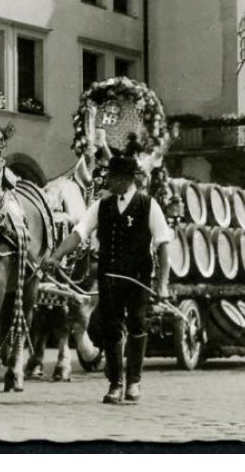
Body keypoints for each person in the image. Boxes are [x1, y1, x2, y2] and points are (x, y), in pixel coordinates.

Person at [47, 153, 173, 405]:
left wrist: (162, 284)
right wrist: (56, 256)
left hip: (138, 278)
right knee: (111, 328)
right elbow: (79, 233)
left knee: (137, 324)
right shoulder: (101, 206)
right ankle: (115, 384)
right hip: (109, 278)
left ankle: (134, 382)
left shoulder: (149, 205)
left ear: (127, 179)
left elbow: (163, 245)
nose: (109, 182)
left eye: (113, 178)